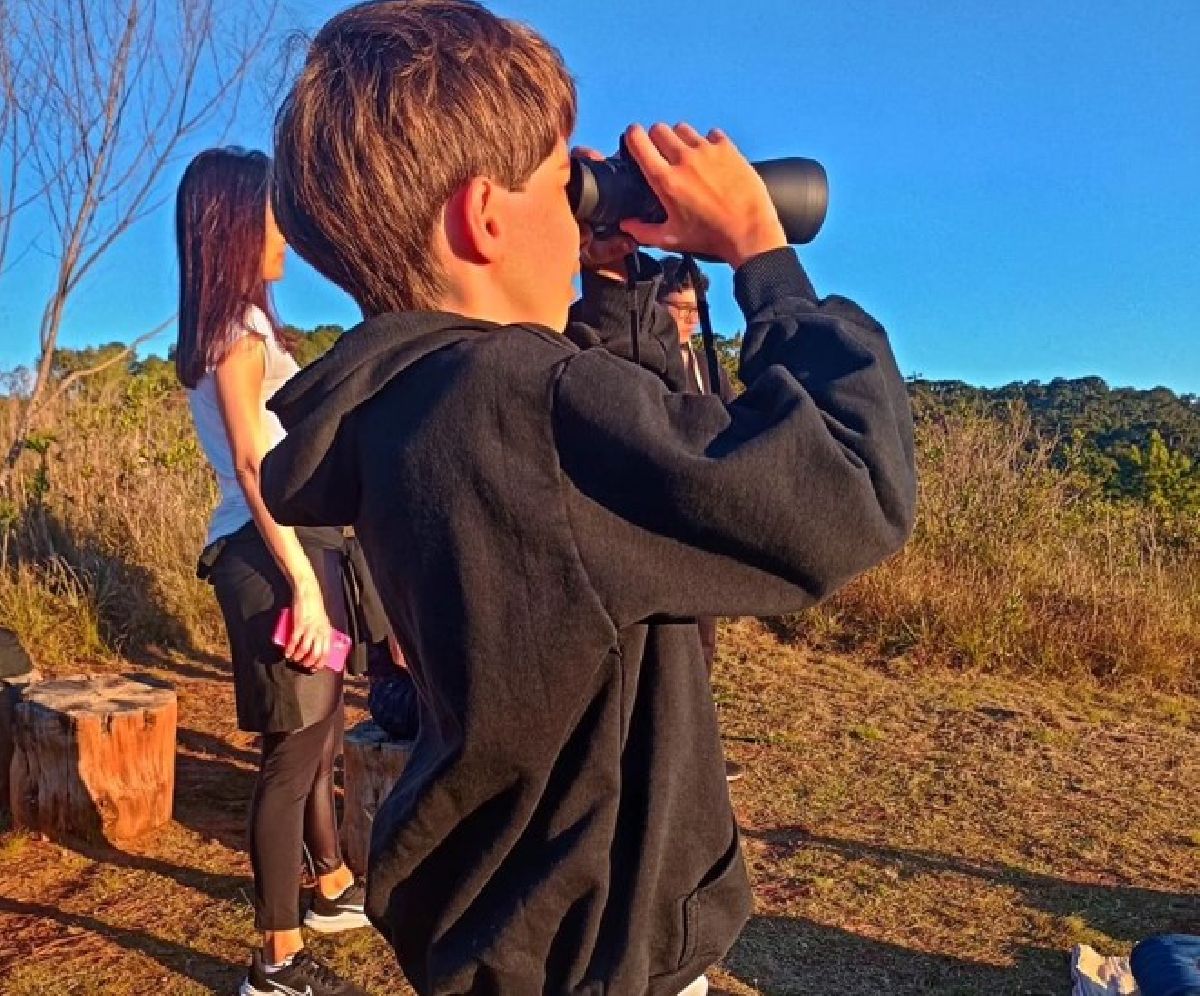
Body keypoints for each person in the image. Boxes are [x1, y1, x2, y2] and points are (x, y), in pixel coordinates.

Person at [262, 3, 917, 994]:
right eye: (565, 182)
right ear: (485, 216)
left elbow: (615, 508)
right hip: (600, 963)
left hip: (507, 935)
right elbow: (853, 483)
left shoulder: (415, 409)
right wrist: (763, 259)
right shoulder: (523, 403)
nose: (583, 213)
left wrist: (614, 287)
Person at [174, 146, 376, 996]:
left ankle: (330, 888)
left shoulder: (249, 327)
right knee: (292, 755)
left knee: (322, 729)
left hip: (299, 547)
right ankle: (276, 962)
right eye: (272, 215)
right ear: (232, 225)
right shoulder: (235, 334)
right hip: (272, 555)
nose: (284, 232)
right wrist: (299, 580)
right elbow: (256, 468)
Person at [655, 255, 743, 782]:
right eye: (679, 308)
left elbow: (732, 418)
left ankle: (699, 750)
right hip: (660, 514)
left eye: (695, 309)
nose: (688, 319)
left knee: (704, 636)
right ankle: (669, 751)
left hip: (703, 516)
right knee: (670, 640)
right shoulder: (640, 355)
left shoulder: (709, 364)